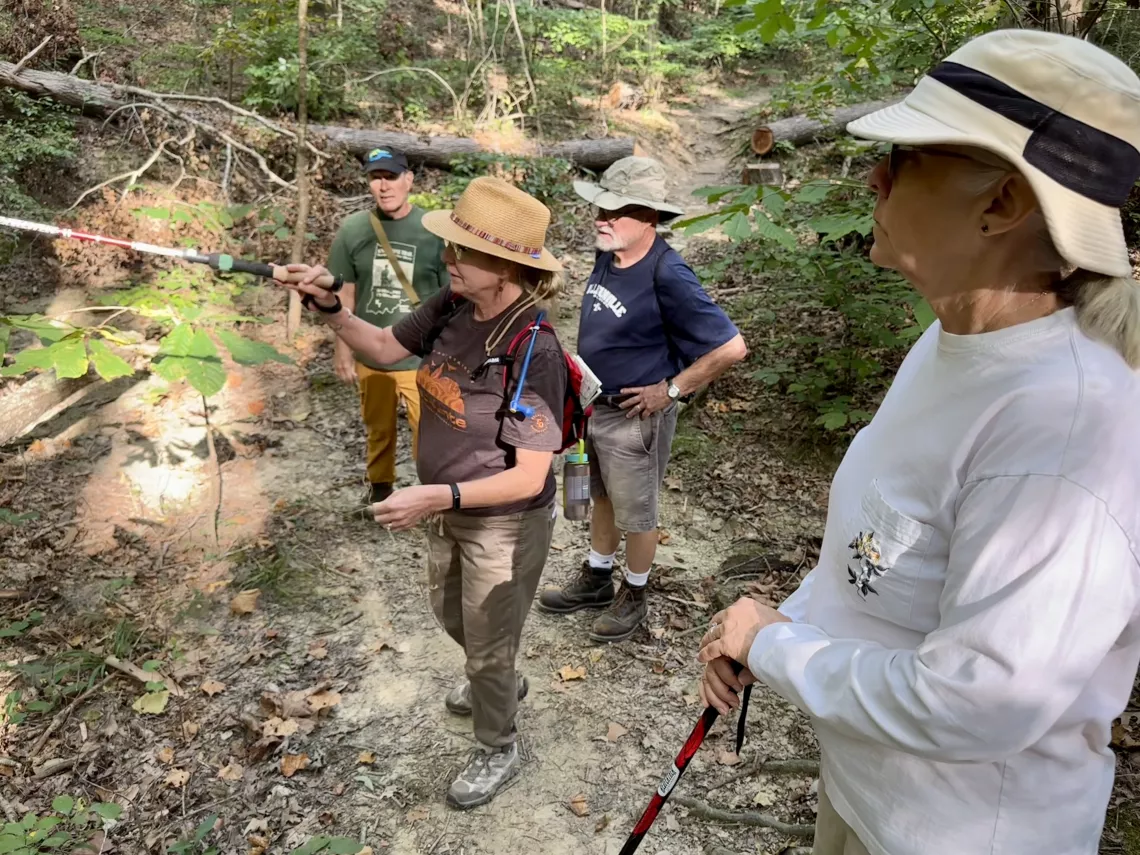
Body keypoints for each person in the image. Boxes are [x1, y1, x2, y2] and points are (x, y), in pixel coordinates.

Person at [696, 29, 1140, 855]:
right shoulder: (953, 340)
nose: (875, 176)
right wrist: (780, 624)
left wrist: (779, 646)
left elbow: (979, 701)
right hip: (872, 798)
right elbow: (881, 551)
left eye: (905, 159)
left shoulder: (1067, 431)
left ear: (1002, 204)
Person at [273, 176, 567, 810]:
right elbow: (381, 348)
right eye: (450, 247)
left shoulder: (531, 346)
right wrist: (329, 306)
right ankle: (499, 677)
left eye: (463, 251)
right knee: (451, 615)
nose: (448, 259)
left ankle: (498, 742)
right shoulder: (452, 308)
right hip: (449, 507)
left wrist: (434, 497)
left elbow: (530, 476)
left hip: (503, 522)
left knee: (487, 641)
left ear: (508, 266)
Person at [537, 156, 747, 642]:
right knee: (600, 496)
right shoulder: (608, 256)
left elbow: (731, 347)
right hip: (596, 407)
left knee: (638, 510)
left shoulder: (668, 273)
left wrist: (670, 390)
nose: (602, 219)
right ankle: (596, 577)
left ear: (650, 217)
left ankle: (635, 593)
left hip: (636, 417)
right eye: (600, 209)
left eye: (616, 211)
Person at [328, 147, 448, 510]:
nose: (383, 186)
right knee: (377, 428)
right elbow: (344, 290)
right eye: (375, 178)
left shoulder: (433, 231)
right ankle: (380, 490)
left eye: (391, 177)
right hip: (371, 354)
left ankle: (432, 496)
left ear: (409, 180)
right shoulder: (354, 229)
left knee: (427, 433)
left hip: (419, 357)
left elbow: (451, 295)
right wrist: (342, 349)